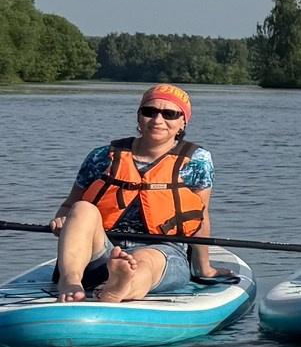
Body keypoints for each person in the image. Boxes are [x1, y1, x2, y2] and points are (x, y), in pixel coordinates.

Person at [48, 84, 216, 301]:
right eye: (149, 111)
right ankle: (70, 280)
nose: (157, 120)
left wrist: (204, 268)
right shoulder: (101, 157)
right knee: (82, 208)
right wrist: (62, 219)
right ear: (139, 117)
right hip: (102, 248)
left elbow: (199, 217)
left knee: (145, 260)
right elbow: (70, 206)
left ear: (183, 122)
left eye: (170, 114)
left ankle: (121, 286)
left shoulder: (198, 160)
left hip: (163, 249)